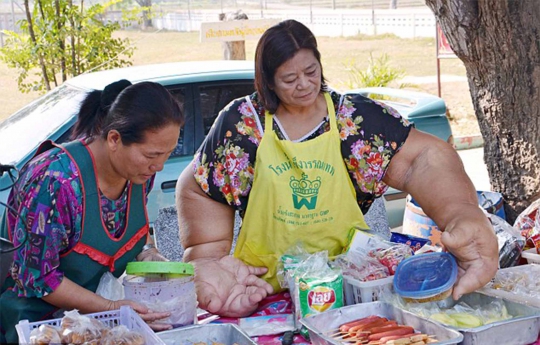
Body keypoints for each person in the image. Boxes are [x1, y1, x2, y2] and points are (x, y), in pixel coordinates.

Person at [176, 19, 498, 318]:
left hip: (350, 292)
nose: (304, 85)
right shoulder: (244, 124)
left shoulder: (352, 119)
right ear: (269, 82)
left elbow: (422, 158)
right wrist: (206, 259)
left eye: (311, 71)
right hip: (261, 294)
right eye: (289, 79)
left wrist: (460, 213)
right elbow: (201, 186)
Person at [0, 80, 184, 343]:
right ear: (114, 139)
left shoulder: (138, 173)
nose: (159, 166)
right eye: (151, 154)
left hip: (94, 324)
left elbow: (134, 236)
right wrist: (111, 308)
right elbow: (39, 278)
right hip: (39, 327)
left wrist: (154, 261)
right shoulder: (55, 182)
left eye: (168, 154)